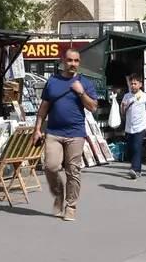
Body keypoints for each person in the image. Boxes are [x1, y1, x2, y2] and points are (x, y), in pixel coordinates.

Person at [34, 48, 98, 221]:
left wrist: (81, 92)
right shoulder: (53, 81)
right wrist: (37, 129)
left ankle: (71, 206)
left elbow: (93, 107)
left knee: (73, 171)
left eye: (76, 61)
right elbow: (44, 107)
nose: (73, 64)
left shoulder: (85, 82)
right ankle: (58, 194)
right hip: (54, 132)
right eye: (70, 60)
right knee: (50, 166)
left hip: (75, 133)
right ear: (63, 60)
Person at [121, 76, 146, 179]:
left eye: (135, 83)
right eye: (131, 84)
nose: (133, 85)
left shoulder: (145, 96)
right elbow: (123, 113)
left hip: (140, 126)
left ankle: (134, 169)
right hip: (129, 126)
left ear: (140, 84)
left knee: (137, 146)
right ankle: (138, 170)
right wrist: (123, 106)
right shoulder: (127, 96)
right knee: (131, 148)